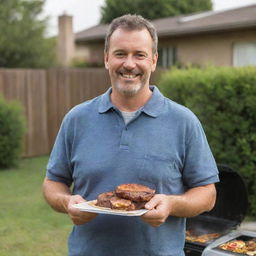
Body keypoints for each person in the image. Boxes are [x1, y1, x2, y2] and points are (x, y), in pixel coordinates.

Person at [42, 14, 219, 256]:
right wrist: (67, 203)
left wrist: (172, 204)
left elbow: (207, 194)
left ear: (154, 61)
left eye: (140, 55)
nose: (129, 64)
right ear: (106, 59)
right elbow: (53, 182)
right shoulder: (77, 119)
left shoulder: (184, 121)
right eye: (120, 54)